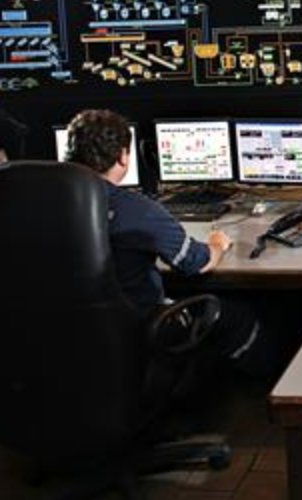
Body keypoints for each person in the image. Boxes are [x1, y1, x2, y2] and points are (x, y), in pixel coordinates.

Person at [63, 109, 261, 376]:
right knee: (239, 315)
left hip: (64, 336)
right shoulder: (137, 210)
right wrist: (217, 243)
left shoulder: (36, 207)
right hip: (137, 330)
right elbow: (197, 263)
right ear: (123, 156)